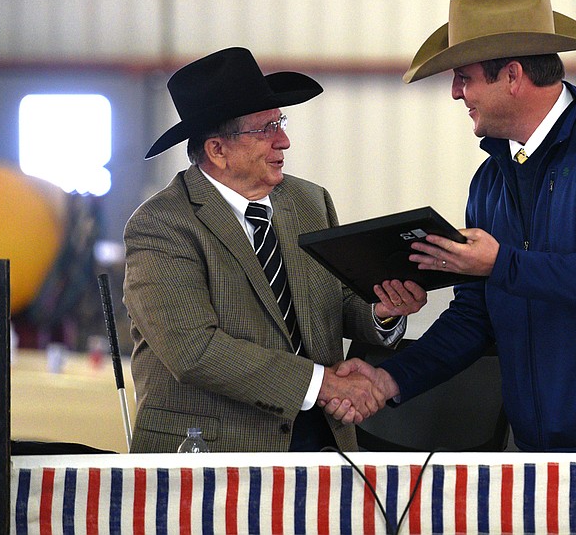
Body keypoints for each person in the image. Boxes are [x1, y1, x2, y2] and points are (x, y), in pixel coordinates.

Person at [326, 0, 576, 453]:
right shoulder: (490, 180)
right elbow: (474, 316)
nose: (456, 92)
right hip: (535, 444)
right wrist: (388, 380)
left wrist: (500, 263)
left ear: (512, 75)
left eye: (464, 76)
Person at [123, 47, 426, 453]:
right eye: (264, 129)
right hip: (211, 454)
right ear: (217, 150)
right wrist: (323, 385)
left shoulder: (309, 202)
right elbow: (195, 351)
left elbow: (335, 303)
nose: (283, 140)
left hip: (322, 441)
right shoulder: (163, 225)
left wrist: (381, 310)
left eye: (279, 122)